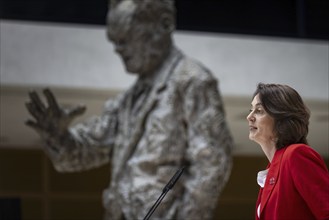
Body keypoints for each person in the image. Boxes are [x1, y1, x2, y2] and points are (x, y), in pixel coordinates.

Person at [25, 0, 233, 219]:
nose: (118, 49)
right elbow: (86, 151)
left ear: (164, 24)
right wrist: (58, 136)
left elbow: (212, 161)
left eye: (126, 37)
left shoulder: (191, 81)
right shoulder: (127, 101)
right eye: (115, 41)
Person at [246, 83, 329, 220]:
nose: (249, 116)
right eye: (251, 109)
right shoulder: (271, 171)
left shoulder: (296, 154)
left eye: (259, 111)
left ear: (281, 118)